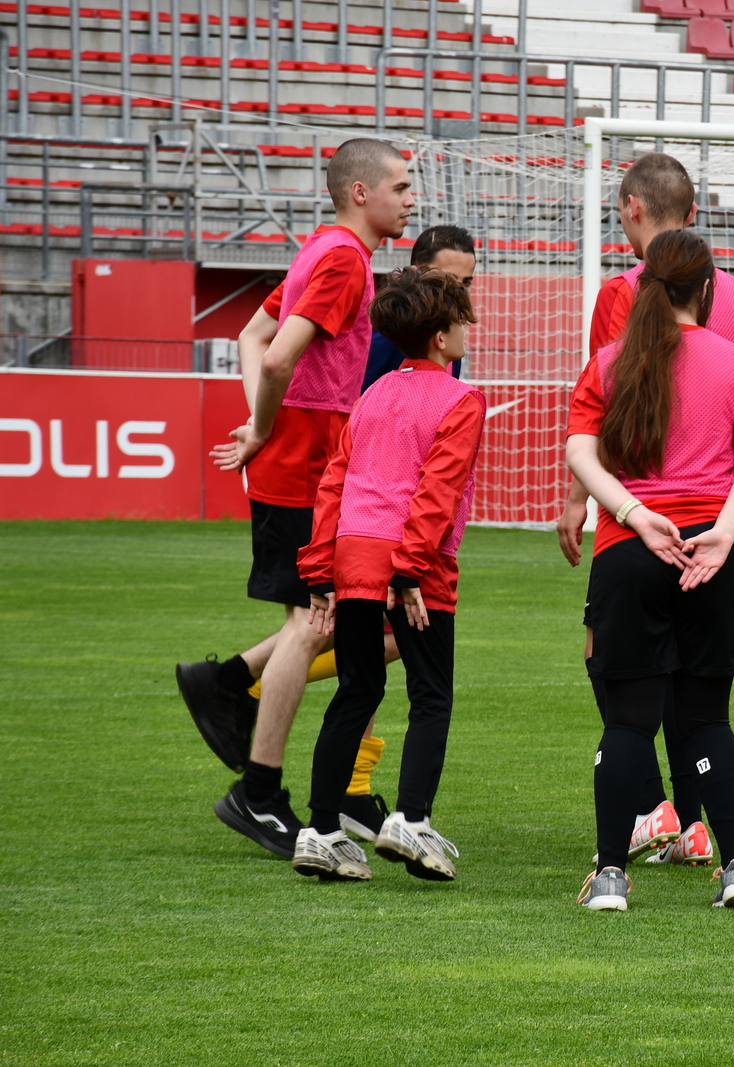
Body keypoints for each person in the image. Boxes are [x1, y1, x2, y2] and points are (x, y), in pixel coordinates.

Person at [176, 138, 414, 859]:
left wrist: (261, 425)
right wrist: (264, 428)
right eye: (402, 187)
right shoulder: (344, 260)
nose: (411, 199)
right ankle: (259, 789)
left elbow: (251, 334)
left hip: (301, 455)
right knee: (317, 622)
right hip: (306, 460)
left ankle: (228, 687)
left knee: (328, 622)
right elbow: (277, 353)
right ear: (361, 193)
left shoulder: (323, 248)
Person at [557, 152, 734, 870]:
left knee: (628, 721)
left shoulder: (612, 359)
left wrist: (627, 510)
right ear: (707, 287)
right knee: (708, 718)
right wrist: (729, 528)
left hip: (631, 546)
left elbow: (580, 448)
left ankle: (609, 874)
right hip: (713, 550)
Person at [291, 267, 485, 883]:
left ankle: (320, 831)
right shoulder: (461, 399)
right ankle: (412, 820)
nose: (467, 333)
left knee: (357, 690)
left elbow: (335, 482)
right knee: (431, 694)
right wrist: (410, 570)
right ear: (441, 338)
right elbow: (437, 491)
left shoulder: (371, 394)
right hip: (413, 563)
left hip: (352, 553)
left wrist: (319, 568)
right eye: (461, 324)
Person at [363, 225, 476, 390]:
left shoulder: (453, 343)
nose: (458, 292)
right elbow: (357, 395)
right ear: (415, 274)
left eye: (466, 283)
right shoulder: (392, 337)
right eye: (447, 279)